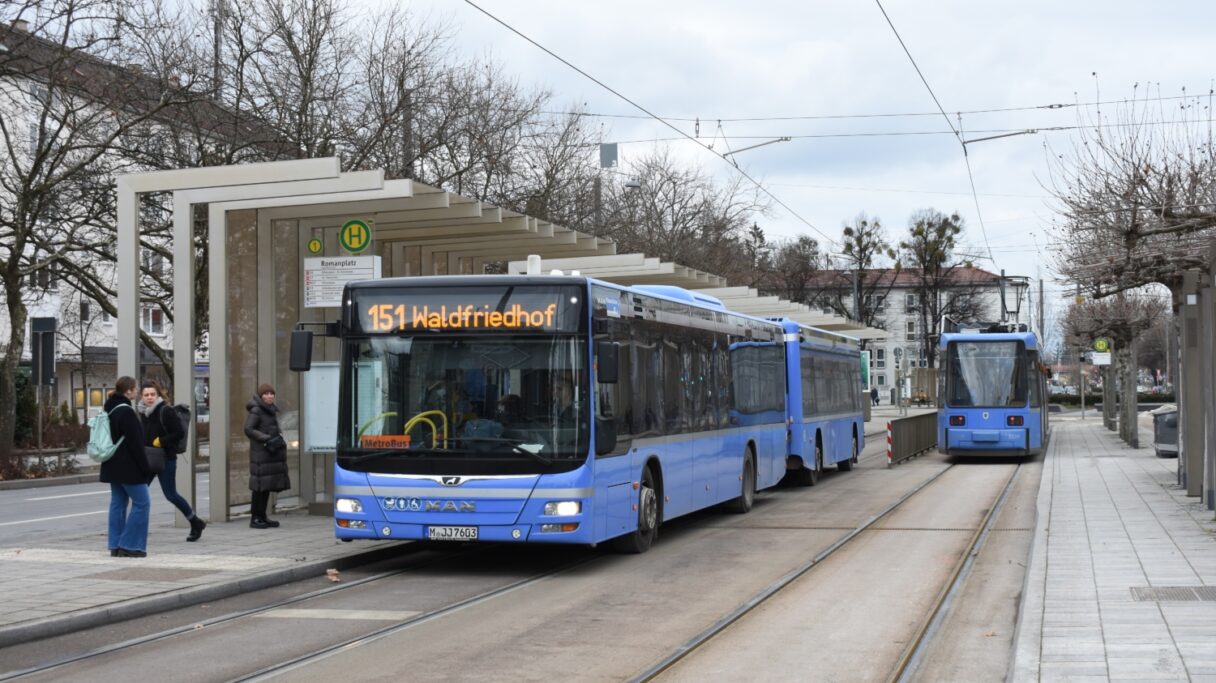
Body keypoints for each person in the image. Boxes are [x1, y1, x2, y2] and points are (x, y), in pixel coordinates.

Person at [138, 379, 206, 542]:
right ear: (141, 396)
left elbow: (178, 433)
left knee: (170, 495)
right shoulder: (141, 412)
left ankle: (195, 522)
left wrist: (161, 441)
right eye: (146, 395)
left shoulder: (165, 411)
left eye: (152, 394)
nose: (149, 397)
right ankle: (138, 528)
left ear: (158, 394)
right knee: (139, 493)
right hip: (147, 459)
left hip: (165, 459)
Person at [101, 376, 151, 558]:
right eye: (135, 389)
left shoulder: (109, 408)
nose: (137, 391)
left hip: (112, 464)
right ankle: (130, 545)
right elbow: (136, 445)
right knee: (142, 503)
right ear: (128, 390)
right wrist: (145, 468)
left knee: (118, 503)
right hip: (129, 467)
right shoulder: (127, 412)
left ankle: (115, 544)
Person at [244, 383, 290, 529]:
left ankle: (262, 516)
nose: (269, 396)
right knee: (259, 487)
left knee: (266, 486)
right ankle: (255, 518)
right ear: (261, 396)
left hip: (269, 453)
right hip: (261, 454)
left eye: (271, 393)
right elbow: (248, 429)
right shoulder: (257, 410)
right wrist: (267, 438)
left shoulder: (269, 410)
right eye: (266, 394)